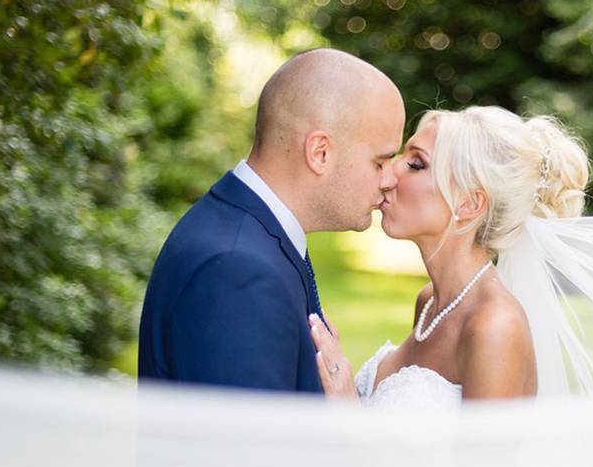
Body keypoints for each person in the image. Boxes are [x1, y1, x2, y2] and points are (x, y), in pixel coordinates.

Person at [309, 105, 591, 467]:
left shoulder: (494, 326)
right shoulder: (430, 302)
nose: (390, 172)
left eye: (415, 163)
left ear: (469, 204)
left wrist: (347, 410)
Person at [137, 48, 403, 392]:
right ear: (320, 153)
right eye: (379, 162)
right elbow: (249, 444)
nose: (389, 179)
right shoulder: (238, 270)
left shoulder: (251, 233)